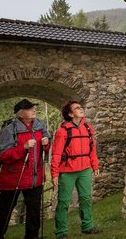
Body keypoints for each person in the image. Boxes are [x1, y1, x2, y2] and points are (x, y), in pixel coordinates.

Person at [0, 99, 50, 239]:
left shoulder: (40, 125)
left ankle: (32, 236)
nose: (33, 110)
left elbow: (46, 146)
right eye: (29, 109)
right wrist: (22, 147)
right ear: (20, 114)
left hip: (35, 176)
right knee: (5, 211)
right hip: (13, 178)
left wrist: (46, 143)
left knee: (34, 211)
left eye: (33, 108)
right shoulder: (10, 129)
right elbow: (3, 155)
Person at [51, 100, 101, 237]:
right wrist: (54, 174)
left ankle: (88, 226)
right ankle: (61, 232)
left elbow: (92, 149)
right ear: (70, 114)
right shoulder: (62, 132)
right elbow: (56, 154)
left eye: (81, 107)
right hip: (67, 171)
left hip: (85, 169)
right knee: (63, 202)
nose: (81, 109)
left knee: (85, 198)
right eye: (77, 108)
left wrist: (94, 164)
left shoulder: (88, 128)